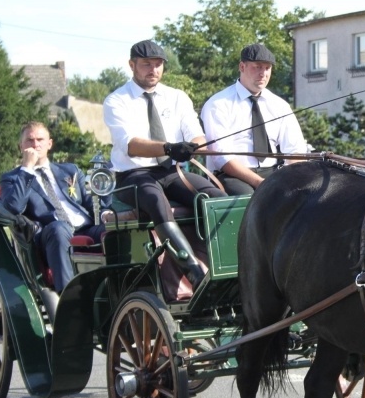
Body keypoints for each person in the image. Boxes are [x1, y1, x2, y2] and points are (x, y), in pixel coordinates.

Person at [103, 39, 226, 285]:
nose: (153, 69)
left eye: (158, 64)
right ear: (132, 65)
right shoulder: (116, 101)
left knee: (217, 199)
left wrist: (193, 146)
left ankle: (226, 266)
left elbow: (196, 133)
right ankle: (194, 272)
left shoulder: (177, 97)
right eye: (146, 64)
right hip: (134, 176)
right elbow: (130, 144)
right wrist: (169, 147)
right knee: (154, 198)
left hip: (173, 171)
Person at [0, 121, 111, 293]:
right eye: (30, 140)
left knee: (115, 230)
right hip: (50, 236)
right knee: (59, 229)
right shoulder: (12, 178)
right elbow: (14, 207)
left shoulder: (70, 170)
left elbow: (89, 202)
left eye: (40, 139)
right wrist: (27, 168)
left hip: (85, 229)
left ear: (49, 144)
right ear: (20, 146)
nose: (35, 144)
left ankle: (125, 290)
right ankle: (69, 299)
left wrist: (105, 215)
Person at [200, 43, 308, 196]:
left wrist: (292, 178)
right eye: (257, 67)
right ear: (242, 67)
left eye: (267, 68)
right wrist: (259, 182)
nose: (263, 73)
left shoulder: (280, 105)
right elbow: (221, 157)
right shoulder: (218, 104)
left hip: (273, 173)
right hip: (232, 176)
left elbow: (295, 150)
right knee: (251, 201)